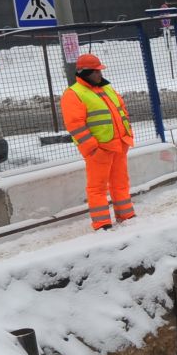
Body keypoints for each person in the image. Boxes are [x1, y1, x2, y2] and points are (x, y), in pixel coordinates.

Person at [61, 53, 135, 230]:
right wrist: (92, 149)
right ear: (84, 73)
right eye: (95, 72)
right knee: (97, 188)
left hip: (118, 145)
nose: (99, 75)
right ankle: (102, 223)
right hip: (99, 149)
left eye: (99, 71)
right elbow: (75, 126)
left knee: (121, 183)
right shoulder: (73, 94)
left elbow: (122, 110)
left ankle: (126, 216)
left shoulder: (106, 88)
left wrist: (127, 134)